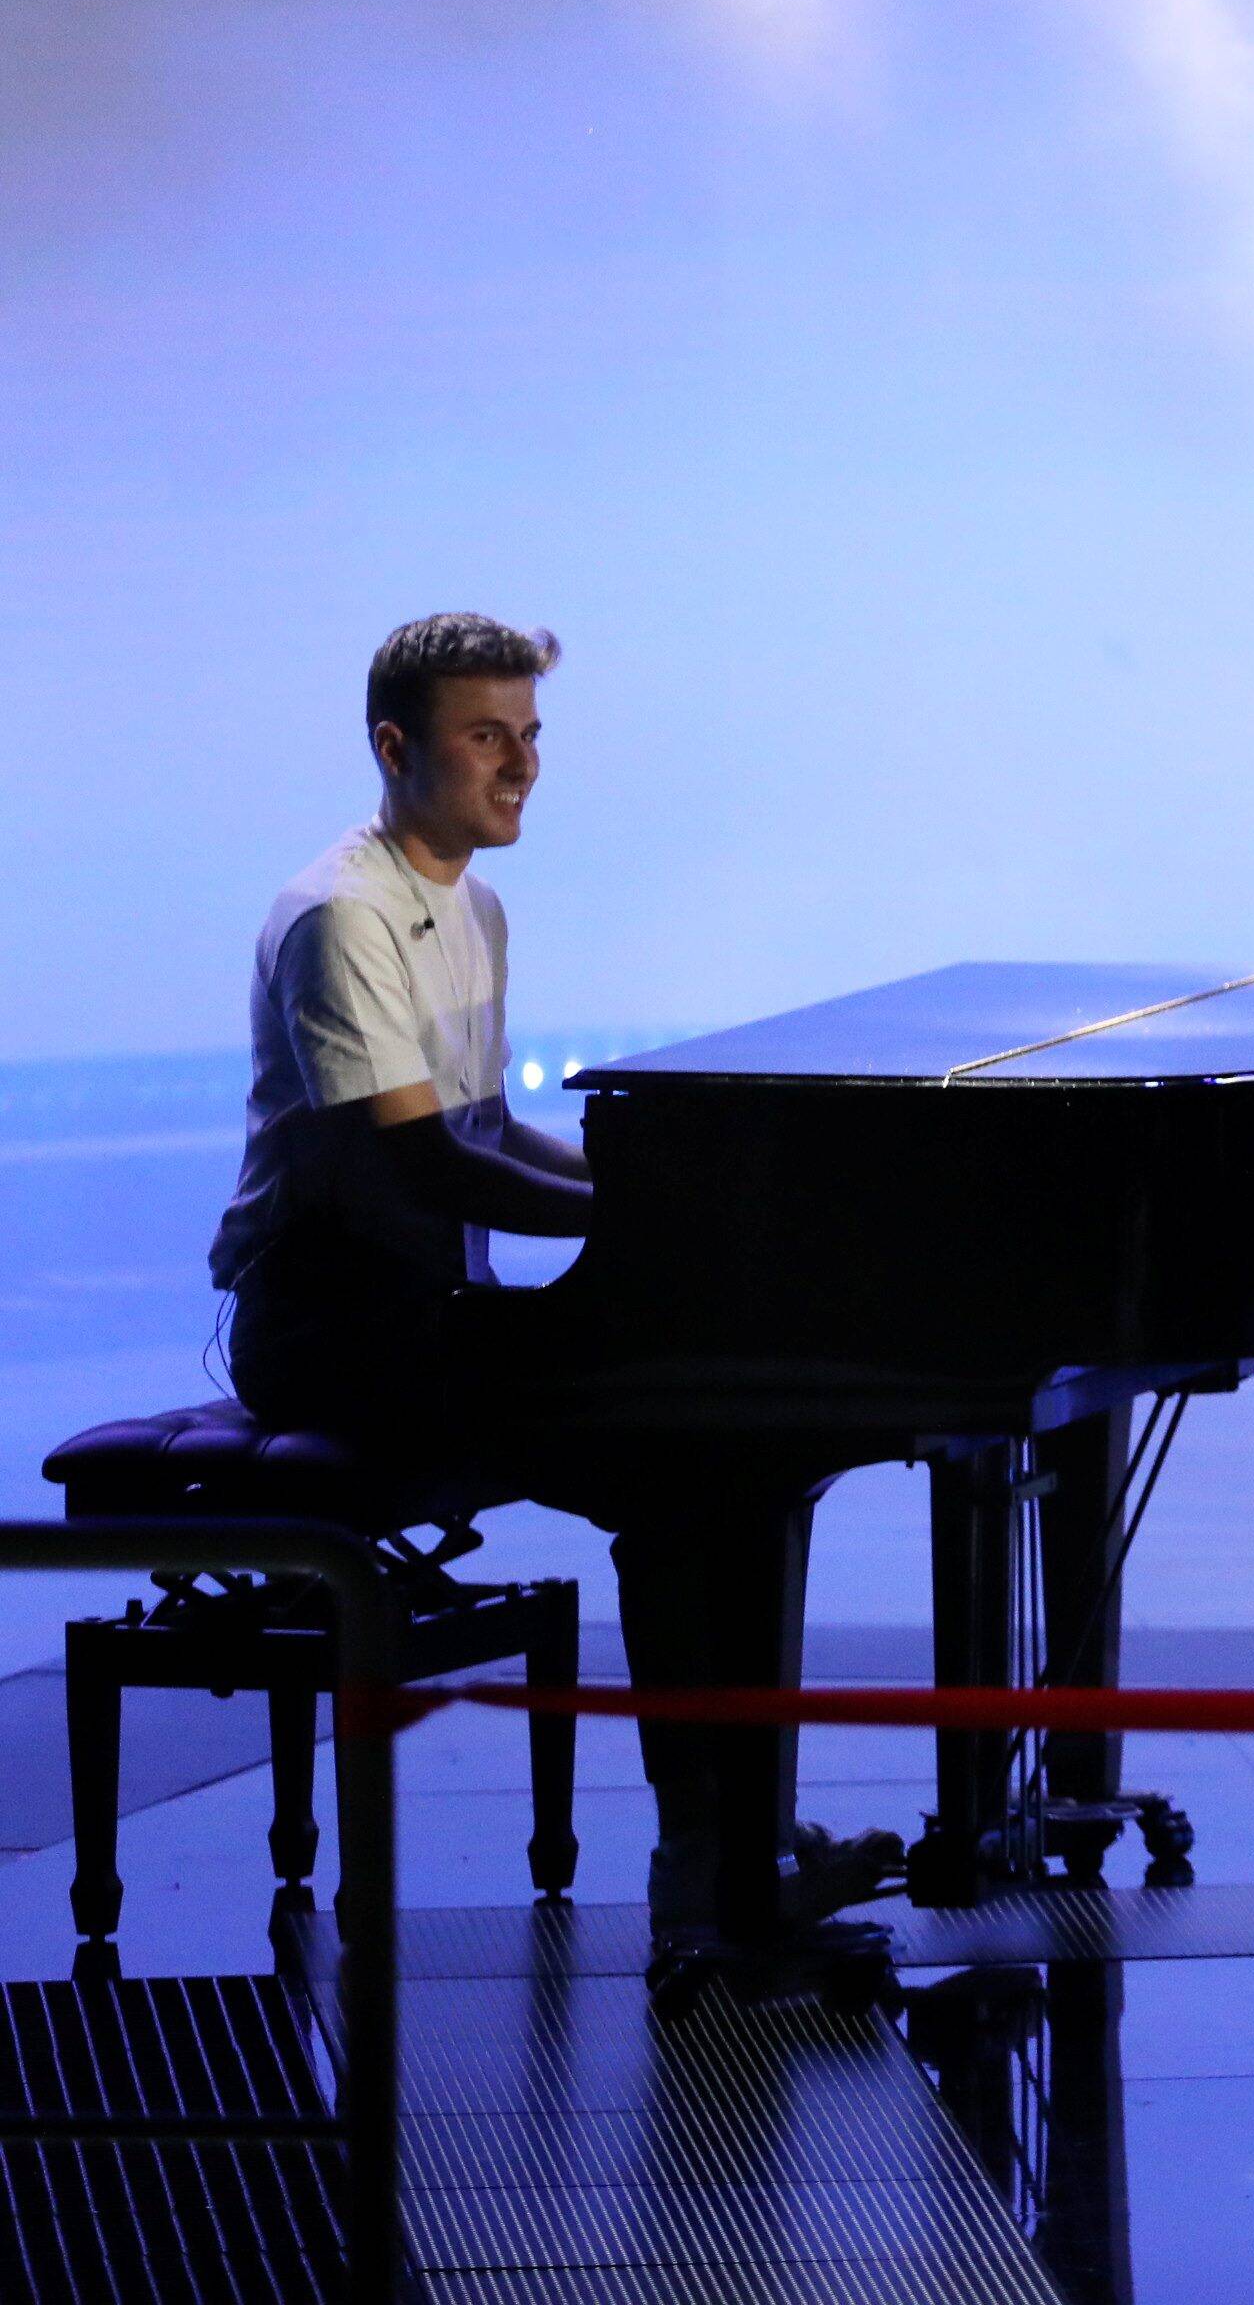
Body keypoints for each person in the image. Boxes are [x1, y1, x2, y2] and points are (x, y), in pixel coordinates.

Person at [210, 613, 892, 1965]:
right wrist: (654, 1236)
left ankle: (733, 1849)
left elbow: (483, 1133)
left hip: (424, 1315)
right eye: (485, 738)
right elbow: (420, 1167)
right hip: (332, 1335)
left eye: (529, 739)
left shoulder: (472, 903)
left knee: (716, 1462)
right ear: (396, 748)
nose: (518, 767)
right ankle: (715, 1876)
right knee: (690, 1465)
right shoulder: (346, 915)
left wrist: (657, 1208)